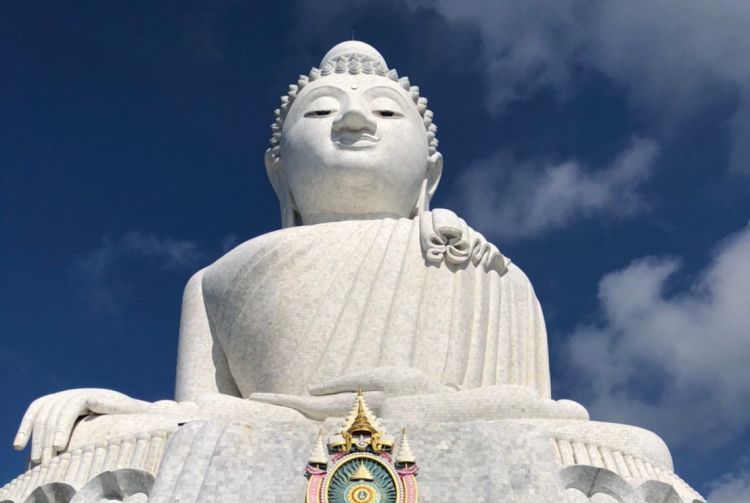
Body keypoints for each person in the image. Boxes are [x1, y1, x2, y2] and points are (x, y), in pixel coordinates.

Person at [13, 41, 555, 465]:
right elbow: (200, 423)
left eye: (388, 115)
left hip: (443, 456)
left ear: (430, 176)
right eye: (320, 113)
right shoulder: (214, 281)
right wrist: (129, 413)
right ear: (279, 173)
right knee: (94, 448)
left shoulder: (485, 272)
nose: (354, 122)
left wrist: (408, 407)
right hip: (262, 449)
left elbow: (544, 425)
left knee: (631, 452)